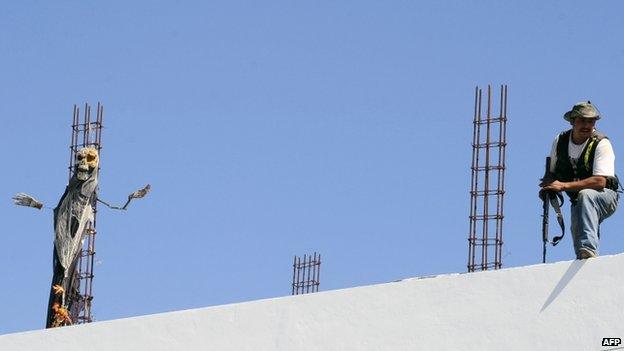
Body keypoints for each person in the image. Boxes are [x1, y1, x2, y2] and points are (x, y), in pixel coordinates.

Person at [540, 101, 619, 259]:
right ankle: (584, 259)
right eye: (582, 121)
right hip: (578, 199)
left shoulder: (601, 143)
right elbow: (552, 173)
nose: (586, 125)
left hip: (605, 196)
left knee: (586, 195)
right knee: (578, 229)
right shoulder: (560, 141)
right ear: (572, 121)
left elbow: (600, 182)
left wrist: (563, 186)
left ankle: (588, 248)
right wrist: (549, 185)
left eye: (590, 121)